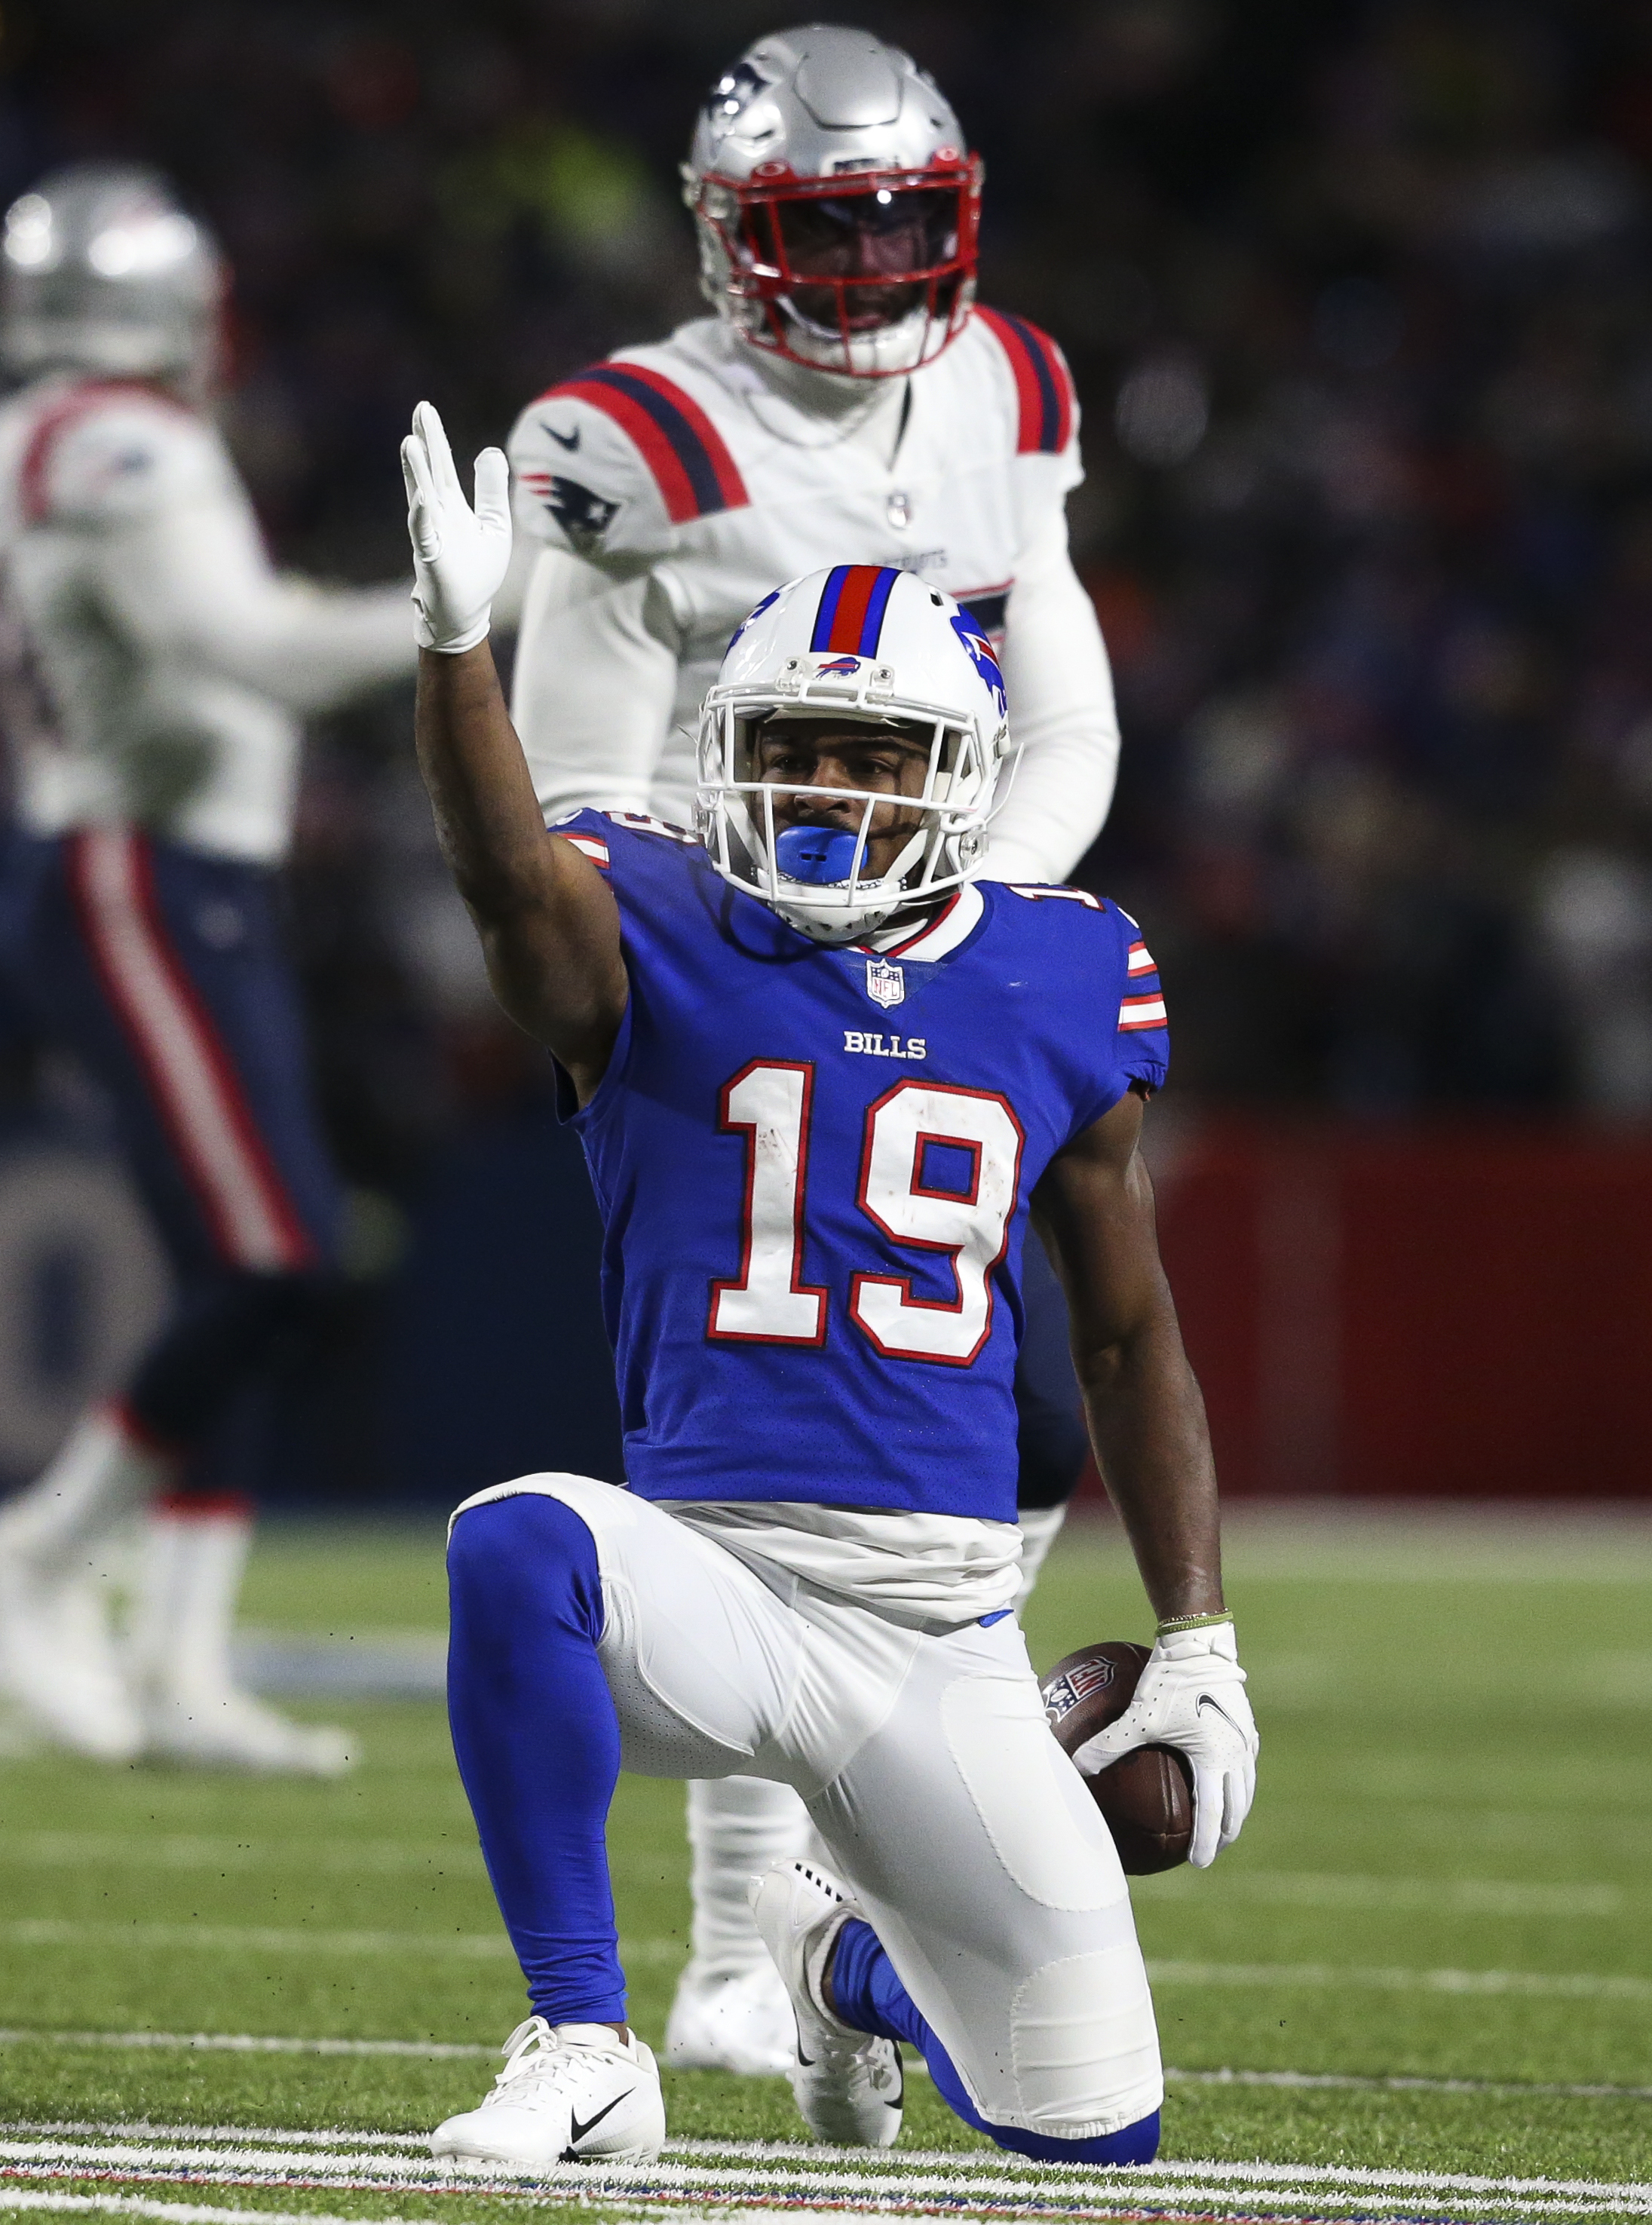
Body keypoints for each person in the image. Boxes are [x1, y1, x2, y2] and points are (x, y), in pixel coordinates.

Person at [399, 403, 1257, 2165]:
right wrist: (455, 652)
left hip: (942, 1635)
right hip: (710, 1570)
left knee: (1093, 2135)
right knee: (521, 1541)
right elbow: (505, 888)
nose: (826, 787)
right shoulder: (652, 920)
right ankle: (584, 2040)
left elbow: (1125, 1326)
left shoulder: (1065, 970)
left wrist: (1199, 1635)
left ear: (954, 772)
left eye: (870, 756)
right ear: (728, 747)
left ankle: (837, 1959)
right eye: (793, 744)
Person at [498, 23, 1129, 2072]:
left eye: (890, 224)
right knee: (747, 1462)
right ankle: (728, 1947)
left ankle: (816, 1899)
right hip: (708, 973)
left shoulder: (1008, 390)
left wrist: (962, 927)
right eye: (816, 228)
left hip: (930, 952)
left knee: (1018, 1422)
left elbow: (1061, 720)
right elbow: (580, 801)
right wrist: (776, 946)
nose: (861, 269)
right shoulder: (629, 441)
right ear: (721, 235)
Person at [0, 165, 414, 1775]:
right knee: (277, 1266)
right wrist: (467, 605)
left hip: (165, 874)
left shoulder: (21, 440)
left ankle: (180, 1663)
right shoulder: (125, 442)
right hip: (138, 869)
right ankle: (46, 1549)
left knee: (249, 1283)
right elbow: (257, 653)